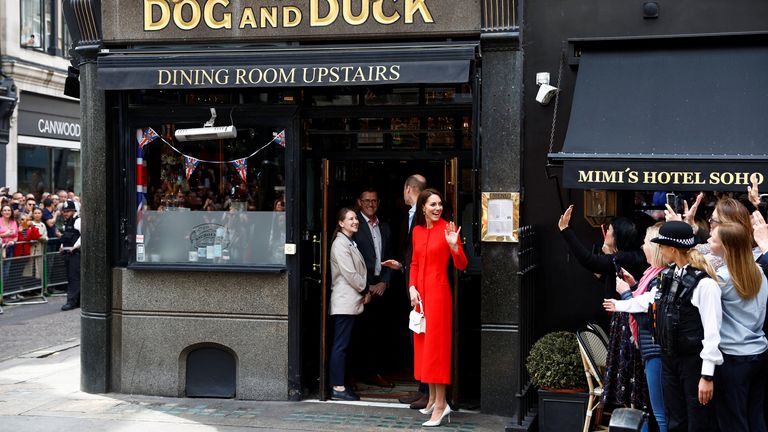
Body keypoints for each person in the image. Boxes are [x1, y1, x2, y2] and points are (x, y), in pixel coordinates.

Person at [558, 205, 649, 407]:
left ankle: (631, 418)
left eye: (610, 230)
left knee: (629, 376)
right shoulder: (626, 256)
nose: (606, 231)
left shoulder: (625, 257)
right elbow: (604, 277)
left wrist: (566, 230)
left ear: (618, 237)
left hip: (628, 323)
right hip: (623, 320)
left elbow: (589, 261)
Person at [648, 221, 721, 432]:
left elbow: (712, 332)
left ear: (671, 249)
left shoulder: (705, 284)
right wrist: (620, 304)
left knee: (697, 421)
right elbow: (650, 300)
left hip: (693, 362)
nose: (659, 249)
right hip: (671, 358)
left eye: (661, 245)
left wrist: (707, 376)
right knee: (674, 419)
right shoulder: (669, 275)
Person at [408, 189, 467, 427]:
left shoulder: (448, 229)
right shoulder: (418, 231)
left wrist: (454, 246)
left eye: (440, 204)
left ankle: (442, 404)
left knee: (437, 350)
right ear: (422, 206)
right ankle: (433, 398)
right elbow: (413, 263)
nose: (437, 208)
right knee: (424, 347)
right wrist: (411, 288)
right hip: (421, 297)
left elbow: (462, 264)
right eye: (432, 204)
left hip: (439, 295)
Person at [603, 222, 668, 432]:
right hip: (650, 349)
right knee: (653, 408)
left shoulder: (660, 277)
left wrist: (624, 293)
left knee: (660, 412)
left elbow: (646, 310)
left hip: (656, 349)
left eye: (646, 242)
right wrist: (632, 285)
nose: (642, 247)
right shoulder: (652, 274)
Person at [707, 222, 768, 432]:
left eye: (712, 240)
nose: (708, 242)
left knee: (733, 420)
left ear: (726, 246)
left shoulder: (721, 279)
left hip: (732, 357)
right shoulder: (759, 272)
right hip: (758, 351)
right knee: (755, 415)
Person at [383, 174, 430, 408]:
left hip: (423, 288)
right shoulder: (411, 214)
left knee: (422, 337)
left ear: (408, 188)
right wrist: (402, 266)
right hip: (411, 285)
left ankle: (428, 391)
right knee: (416, 337)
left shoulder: (423, 217)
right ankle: (421, 387)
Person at [351, 188, 394, 388]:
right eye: (366, 200)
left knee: (378, 332)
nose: (370, 204)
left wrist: (384, 281)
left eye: (374, 201)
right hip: (360, 288)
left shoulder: (384, 226)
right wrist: (366, 286)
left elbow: (390, 257)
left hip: (380, 286)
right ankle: (357, 374)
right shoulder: (353, 225)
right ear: (359, 202)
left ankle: (374, 372)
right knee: (359, 333)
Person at [328, 207, 368, 401]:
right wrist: (365, 289)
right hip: (345, 302)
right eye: (350, 219)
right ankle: (337, 387)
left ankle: (343, 384)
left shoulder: (349, 242)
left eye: (356, 218)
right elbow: (350, 273)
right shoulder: (340, 244)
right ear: (341, 223)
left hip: (351, 302)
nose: (355, 221)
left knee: (345, 345)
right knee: (340, 346)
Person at [60, 201, 81, 311]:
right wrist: (62, 246)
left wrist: (76, 247)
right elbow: (65, 237)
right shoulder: (67, 223)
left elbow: (83, 235)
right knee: (71, 277)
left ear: (74, 211)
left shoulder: (78, 221)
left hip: (75, 254)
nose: (66, 213)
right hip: (67, 253)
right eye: (64, 211)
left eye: (68, 211)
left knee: (74, 278)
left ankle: (72, 301)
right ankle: (77, 301)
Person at [0, 204, 18, 283]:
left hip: (9, 248)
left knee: (6, 272)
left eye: (9, 210)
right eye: (5, 210)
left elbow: (16, 236)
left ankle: (3, 292)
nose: (7, 212)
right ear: (1, 212)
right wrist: (5, 234)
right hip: (0, 248)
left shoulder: (13, 222)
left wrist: (13, 241)